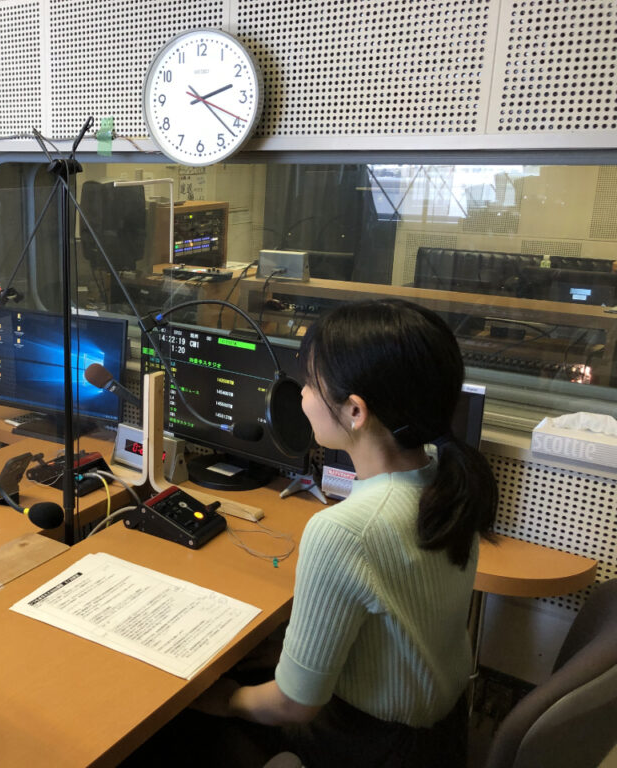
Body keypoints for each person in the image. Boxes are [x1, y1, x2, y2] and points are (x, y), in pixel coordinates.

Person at [125, 299, 498, 768]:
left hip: (370, 746)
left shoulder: (345, 531)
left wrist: (226, 699)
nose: (300, 397)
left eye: (310, 385)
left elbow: (293, 705)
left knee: (173, 726)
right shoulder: (445, 478)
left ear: (355, 411)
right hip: (440, 736)